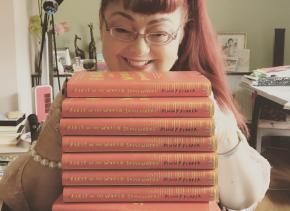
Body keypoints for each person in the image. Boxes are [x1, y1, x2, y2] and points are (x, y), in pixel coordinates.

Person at [0, 1, 270, 211]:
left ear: (182, 34)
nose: (140, 51)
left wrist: (213, 125)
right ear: (103, 26)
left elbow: (243, 198)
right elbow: (28, 201)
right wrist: (57, 129)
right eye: (121, 29)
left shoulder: (201, 103)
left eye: (160, 33)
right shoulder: (77, 102)